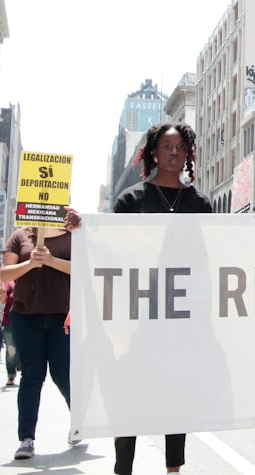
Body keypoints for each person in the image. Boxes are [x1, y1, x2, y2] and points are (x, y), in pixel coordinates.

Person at [112, 122, 212, 475]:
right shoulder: (130, 200)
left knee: (176, 394)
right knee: (131, 394)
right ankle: (123, 467)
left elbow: (208, 259)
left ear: (188, 154)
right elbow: (111, 252)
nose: (174, 152)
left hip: (181, 317)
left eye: (180, 147)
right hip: (137, 316)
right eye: (167, 146)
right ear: (154, 151)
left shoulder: (200, 203)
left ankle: (174, 468)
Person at [1, 209, 79, 461]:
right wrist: (31, 262)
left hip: (63, 316)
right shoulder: (19, 236)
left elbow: (85, 268)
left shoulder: (73, 235)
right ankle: (26, 438)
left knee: (63, 373)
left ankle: (79, 422)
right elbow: (6, 273)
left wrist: (50, 261)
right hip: (26, 315)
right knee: (32, 376)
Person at [0, 281, 19, 386]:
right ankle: (11, 375)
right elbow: (1, 301)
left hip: (28, 322)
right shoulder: (9, 285)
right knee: (11, 350)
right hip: (9, 323)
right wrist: (2, 294)